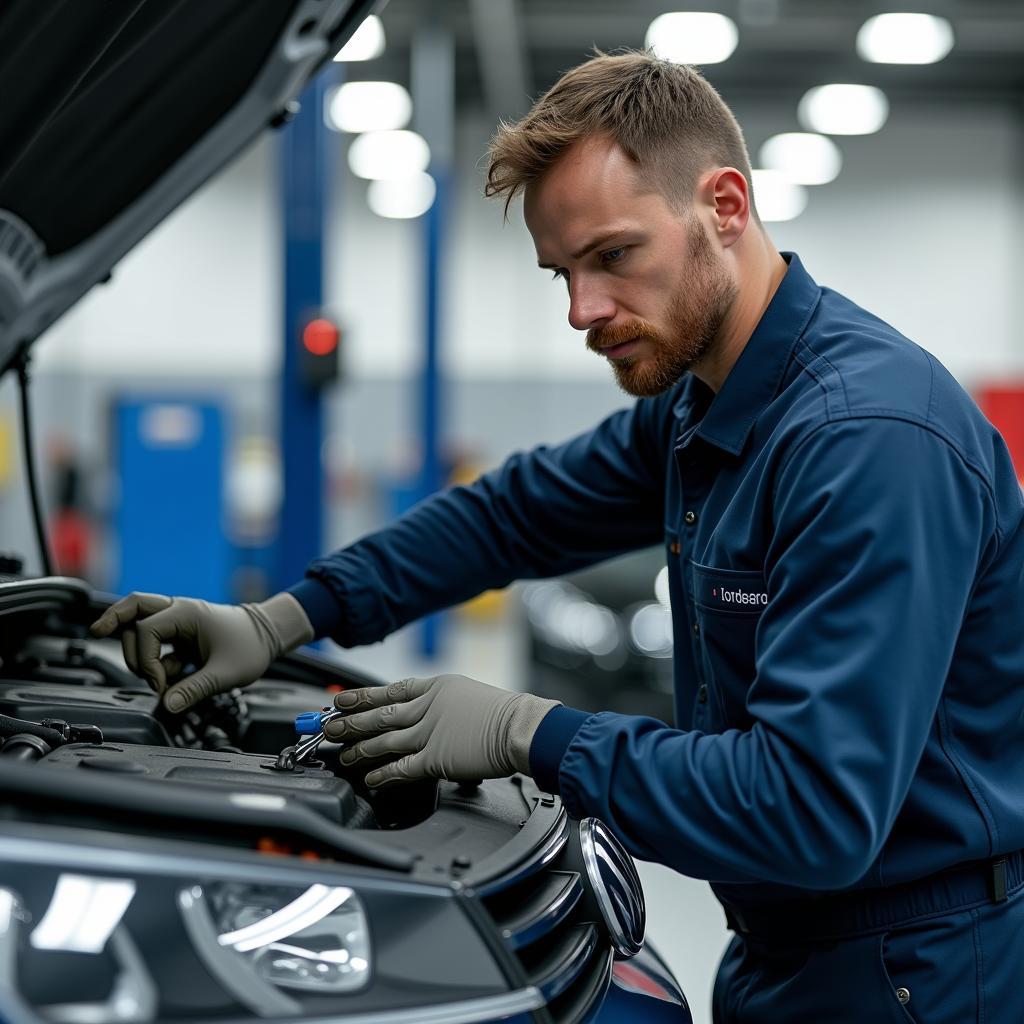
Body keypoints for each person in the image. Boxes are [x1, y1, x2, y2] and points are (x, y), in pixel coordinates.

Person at [91, 51, 1024, 1023]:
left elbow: (809, 809)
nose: (582, 311)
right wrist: (287, 616)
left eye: (614, 255)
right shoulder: (701, 406)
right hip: (789, 954)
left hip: (919, 973)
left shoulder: (862, 440)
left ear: (726, 206)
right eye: (561, 273)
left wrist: (526, 731)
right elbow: (512, 512)